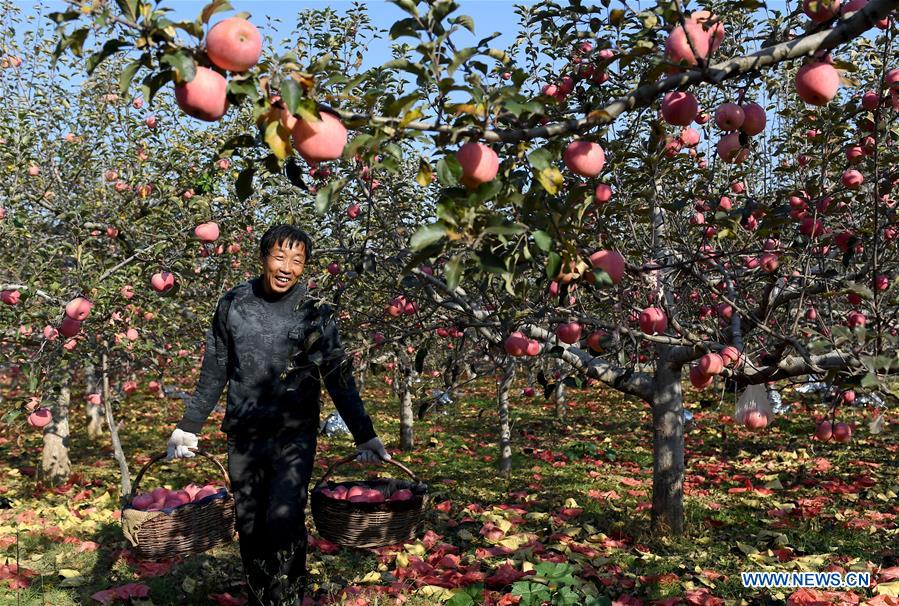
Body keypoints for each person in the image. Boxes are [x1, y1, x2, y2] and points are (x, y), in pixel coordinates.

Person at [165, 223, 390, 606]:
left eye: (297, 260)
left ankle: (287, 595)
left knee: (284, 515)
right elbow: (216, 368)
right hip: (244, 431)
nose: (287, 267)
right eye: (280, 256)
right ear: (263, 257)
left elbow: (338, 376)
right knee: (250, 523)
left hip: (295, 433)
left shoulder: (316, 312)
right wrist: (189, 426)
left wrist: (363, 433)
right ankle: (260, 594)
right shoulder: (233, 303)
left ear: (305, 267)